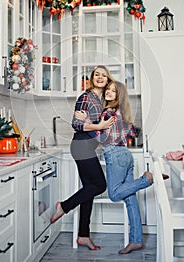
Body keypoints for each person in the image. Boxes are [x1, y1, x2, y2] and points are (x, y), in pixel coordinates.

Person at [75, 80, 154, 254]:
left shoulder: (108, 112)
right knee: (130, 198)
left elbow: (101, 137)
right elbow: (133, 132)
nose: (109, 92)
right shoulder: (120, 112)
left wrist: (85, 120)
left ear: (119, 95)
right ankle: (136, 240)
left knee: (114, 194)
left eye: (113, 91)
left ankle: (146, 180)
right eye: (108, 89)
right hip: (126, 155)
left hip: (115, 156)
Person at [51, 65, 114, 250]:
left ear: (108, 79)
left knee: (90, 188)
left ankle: (83, 235)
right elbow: (77, 124)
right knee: (99, 185)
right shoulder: (86, 97)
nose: (100, 77)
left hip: (87, 147)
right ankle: (63, 206)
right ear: (92, 78)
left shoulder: (101, 100)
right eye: (97, 74)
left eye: (104, 75)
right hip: (81, 146)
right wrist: (99, 126)